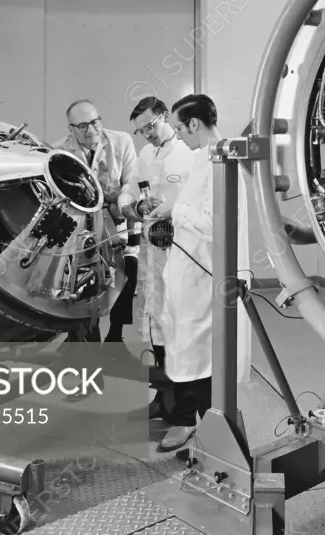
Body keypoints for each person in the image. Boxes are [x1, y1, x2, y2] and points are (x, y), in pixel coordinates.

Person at [148, 93, 252, 453]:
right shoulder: (203, 158)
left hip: (205, 277)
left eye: (180, 127)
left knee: (203, 355)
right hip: (189, 273)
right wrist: (169, 208)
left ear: (194, 124)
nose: (178, 134)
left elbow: (214, 222)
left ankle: (207, 432)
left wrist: (175, 214)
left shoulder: (221, 161)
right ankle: (192, 422)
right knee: (188, 349)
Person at [53, 100, 139, 399]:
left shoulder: (122, 141)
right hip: (83, 234)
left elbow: (130, 183)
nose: (91, 131)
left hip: (119, 221)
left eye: (95, 122)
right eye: (82, 126)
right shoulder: (59, 153)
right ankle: (89, 365)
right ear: (71, 129)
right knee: (83, 291)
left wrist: (121, 203)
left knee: (127, 277)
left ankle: (114, 342)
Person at [120, 97, 194, 421]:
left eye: (150, 126)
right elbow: (128, 191)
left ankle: (185, 416)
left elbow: (203, 209)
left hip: (181, 256)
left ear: (165, 117)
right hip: (152, 257)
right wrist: (134, 208)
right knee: (155, 329)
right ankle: (164, 401)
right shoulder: (146, 156)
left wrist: (172, 213)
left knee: (180, 333)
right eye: (140, 131)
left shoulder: (188, 156)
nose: (147, 134)